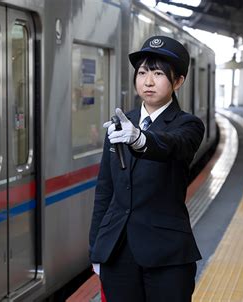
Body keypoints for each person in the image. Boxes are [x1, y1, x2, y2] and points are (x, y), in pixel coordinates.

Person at [89, 36, 205, 301]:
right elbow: (105, 190)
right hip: (117, 252)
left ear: (178, 82)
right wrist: (96, 247)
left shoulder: (188, 125)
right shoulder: (120, 123)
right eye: (142, 73)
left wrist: (140, 139)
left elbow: (172, 145)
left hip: (167, 256)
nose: (148, 81)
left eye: (158, 73)